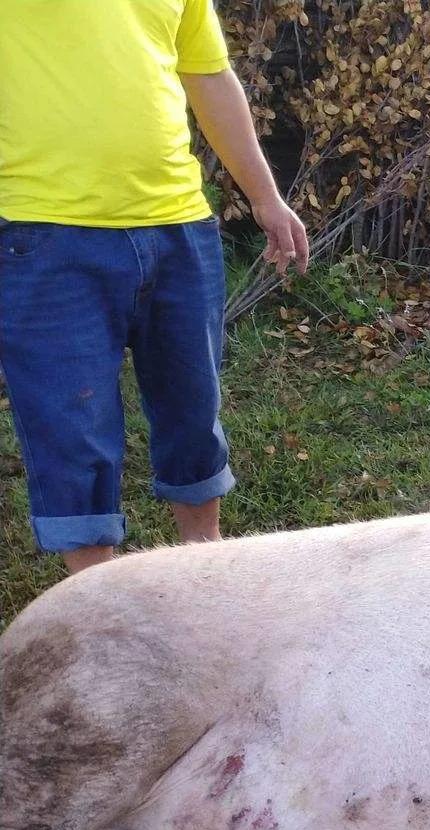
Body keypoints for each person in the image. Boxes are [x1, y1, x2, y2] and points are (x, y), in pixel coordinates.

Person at [0, 0, 308, 574]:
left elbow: (209, 75)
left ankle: (202, 567)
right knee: (72, 428)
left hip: (178, 224)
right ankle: (95, 601)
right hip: (44, 230)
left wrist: (266, 196)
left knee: (193, 408)